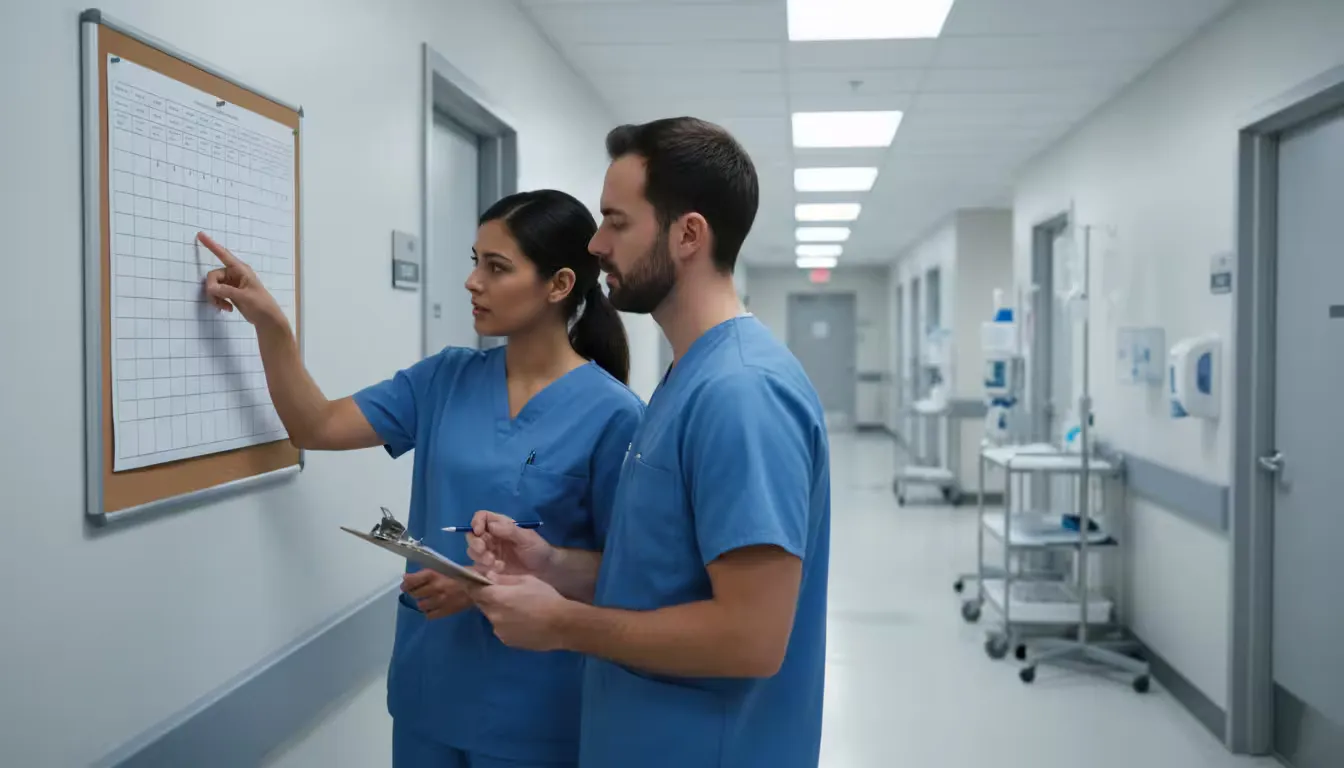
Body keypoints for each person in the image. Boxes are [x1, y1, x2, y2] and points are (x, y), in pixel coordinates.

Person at [195, 188, 644, 768]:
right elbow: (315, 425)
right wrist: (271, 324)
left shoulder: (614, 415)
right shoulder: (445, 378)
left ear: (558, 285)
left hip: (536, 711)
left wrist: (484, 589)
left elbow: (625, 572)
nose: (472, 281)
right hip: (427, 690)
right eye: (474, 260)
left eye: (496, 267)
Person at [465, 118, 831, 768]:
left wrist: (562, 624)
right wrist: (553, 567)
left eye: (617, 221)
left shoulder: (740, 393)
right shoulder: (690, 375)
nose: (597, 244)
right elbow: (668, 578)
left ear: (688, 234)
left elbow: (752, 638)